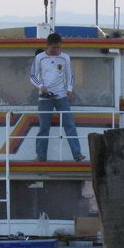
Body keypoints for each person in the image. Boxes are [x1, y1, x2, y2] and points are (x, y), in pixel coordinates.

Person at [30, 33, 86, 162]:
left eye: (58, 48)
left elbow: (70, 75)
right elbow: (32, 76)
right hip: (45, 97)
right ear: (47, 46)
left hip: (61, 96)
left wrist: (69, 89)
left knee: (69, 125)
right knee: (44, 127)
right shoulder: (40, 58)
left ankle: (77, 154)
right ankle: (41, 156)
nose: (55, 50)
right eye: (53, 48)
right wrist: (41, 86)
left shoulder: (65, 57)